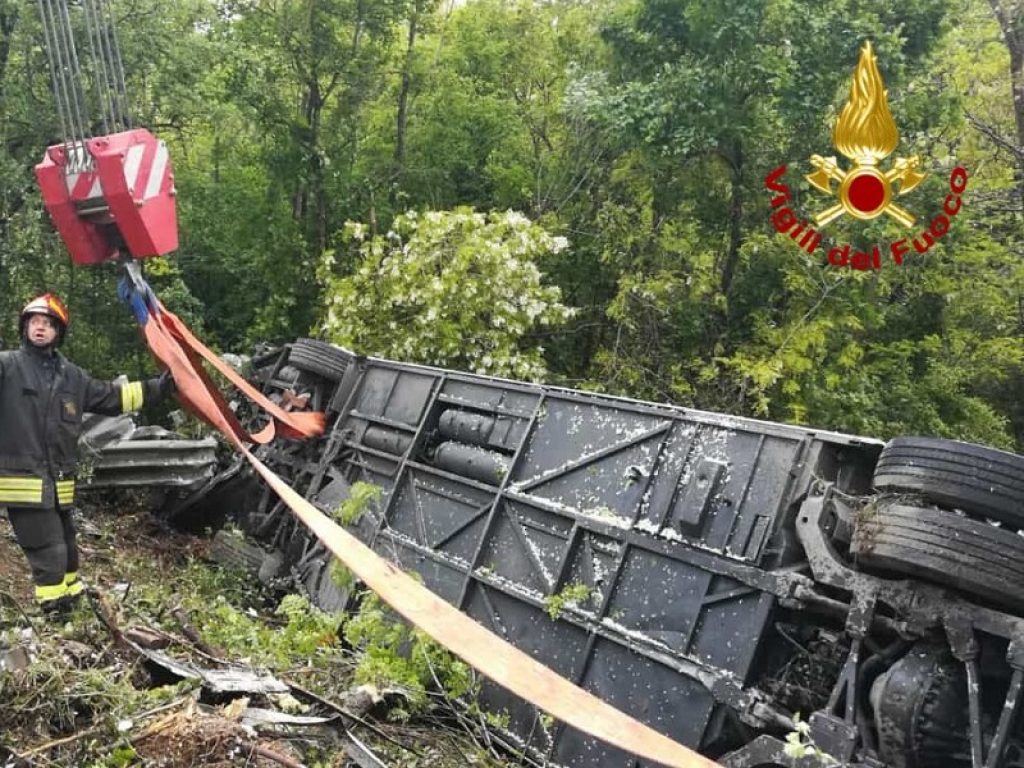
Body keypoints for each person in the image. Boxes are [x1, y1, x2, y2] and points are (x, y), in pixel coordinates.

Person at [0, 293, 175, 618]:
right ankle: (56, 614)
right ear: (24, 327)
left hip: (60, 487)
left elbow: (114, 398)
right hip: (24, 486)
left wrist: (159, 388)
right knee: (48, 551)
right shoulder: (8, 366)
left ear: (59, 332)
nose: (40, 328)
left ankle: (72, 605)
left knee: (67, 552)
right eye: (34, 322)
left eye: (48, 323)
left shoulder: (73, 377)